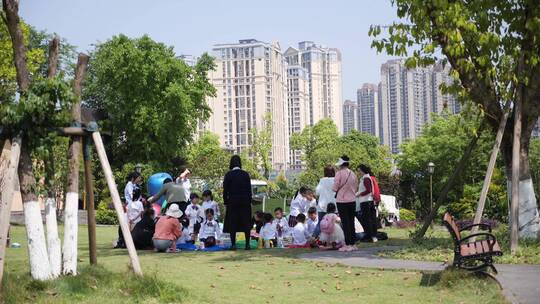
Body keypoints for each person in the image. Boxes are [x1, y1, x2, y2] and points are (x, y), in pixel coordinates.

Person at [223, 155, 253, 250]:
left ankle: (233, 244)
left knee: (233, 223)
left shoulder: (228, 175)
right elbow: (249, 190)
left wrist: (226, 202)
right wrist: (249, 201)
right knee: (246, 223)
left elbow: (225, 190)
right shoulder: (245, 174)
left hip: (232, 202)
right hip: (245, 202)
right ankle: (247, 244)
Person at [332, 155, 359, 250]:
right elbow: (356, 188)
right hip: (352, 200)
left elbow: (334, 188)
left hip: (342, 201)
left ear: (341, 164)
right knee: (351, 222)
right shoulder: (353, 174)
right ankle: (353, 243)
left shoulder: (339, 174)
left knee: (345, 222)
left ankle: (347, 244)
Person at [356, 164, 378, 243]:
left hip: (366, 201)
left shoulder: (365, 178)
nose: (358, 173)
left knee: (367, 219)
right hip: (369, 201)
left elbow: (368, 190)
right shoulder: (367, 178)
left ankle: (369, 236)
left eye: (359, 171)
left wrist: (359, 194)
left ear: (362, 171)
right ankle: (373, 236)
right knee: (371, 219)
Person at [314, 166, 336, 237]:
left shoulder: (322, 180)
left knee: (320, 224)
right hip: (334, 206)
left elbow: (317, 192)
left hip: (323, 206)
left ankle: (313, 238)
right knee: (336, 224)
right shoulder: (336, 180)